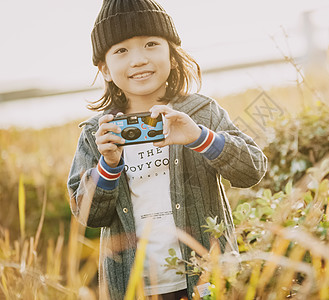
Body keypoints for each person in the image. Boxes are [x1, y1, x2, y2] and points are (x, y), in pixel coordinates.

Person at [67, 0, 267, 299]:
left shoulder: (201, 112)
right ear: (105, 69)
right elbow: (88, 215)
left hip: (209, 277)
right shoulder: (98, 133)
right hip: (134, 287)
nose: (138, 59)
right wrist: (108, 166)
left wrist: (199, 137)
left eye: (150, 44)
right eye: (121, 50)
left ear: (172, 56)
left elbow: (252, 169)